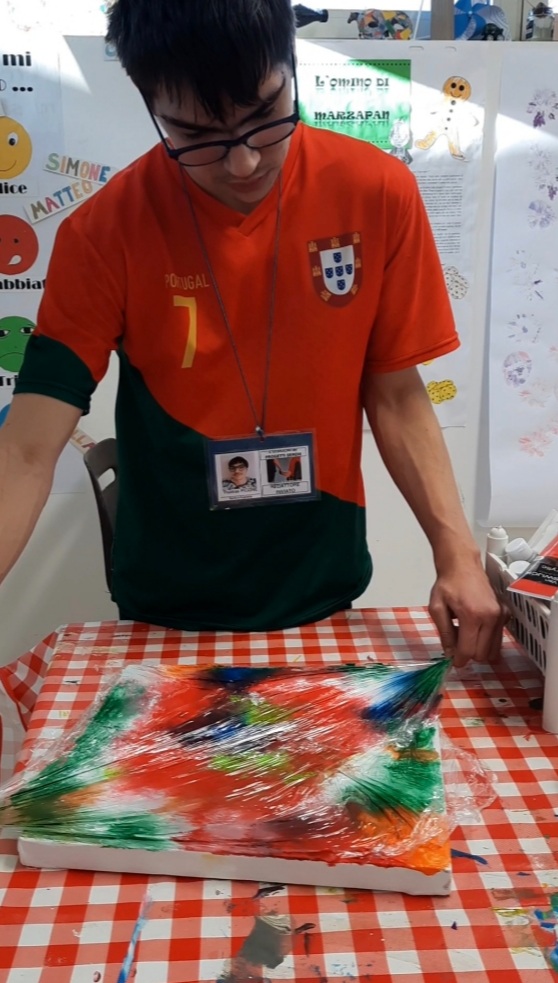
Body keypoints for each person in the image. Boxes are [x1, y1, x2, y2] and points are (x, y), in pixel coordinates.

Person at [0, 0, 505, 663]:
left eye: (265, 115)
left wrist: (456, 552)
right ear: (149, 102)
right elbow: (26, 449)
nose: (243, 163)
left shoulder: (376, 192)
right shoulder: (104, 233)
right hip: (167, 606)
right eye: (198, 134)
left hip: (323, 587)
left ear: (292, 63)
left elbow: (397, 394)